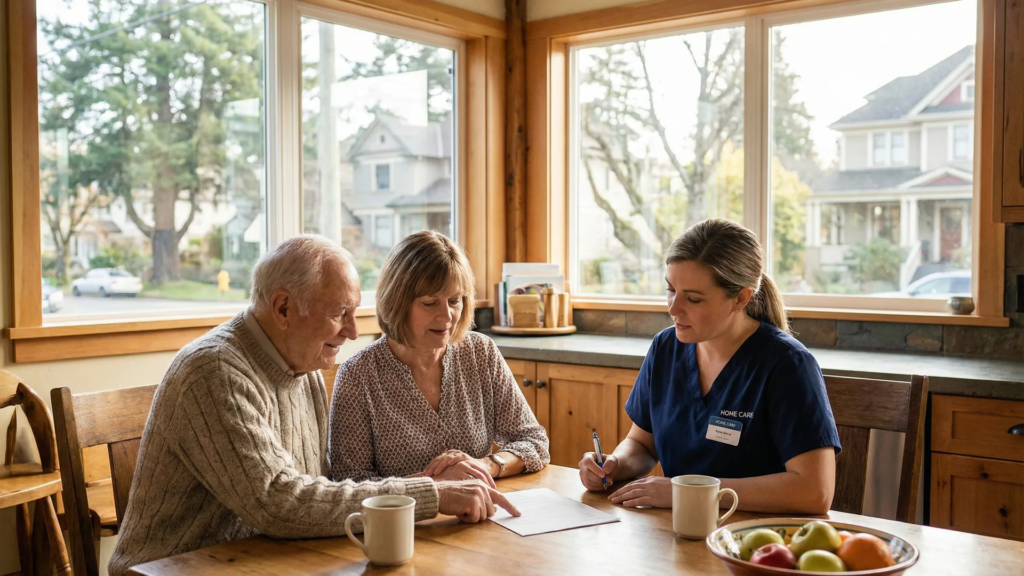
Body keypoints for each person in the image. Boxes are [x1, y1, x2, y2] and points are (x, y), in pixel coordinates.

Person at [109, 235, 517, 576]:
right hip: (175, 568)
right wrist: (430, 493)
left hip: (267, 560)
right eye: (341, 313)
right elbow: (281, 503)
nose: (354, 332)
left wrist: (420, 490)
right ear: (284, 308)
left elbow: (318, 492)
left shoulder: (302, 366)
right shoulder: (216, 372)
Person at [578, 219, 841, 514]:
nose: (673, 308)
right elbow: (642, 445)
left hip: (755, 539)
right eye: (670, 290)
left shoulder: (787, 364)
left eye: (693, 298)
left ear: (741, 297)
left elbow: (814, 492)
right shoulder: (666, 348)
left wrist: (688, 493)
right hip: (677, 529)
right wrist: (614, 464)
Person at [329, 231, 549, 485]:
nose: (446, 317)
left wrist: (486, 465)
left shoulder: (481, 353)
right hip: (406, 523)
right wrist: (433, 485)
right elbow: (350, 482)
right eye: (430, 303)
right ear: (397, 302)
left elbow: (534, 442)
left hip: (479, 513)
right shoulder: (358, 375)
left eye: (454, 301)